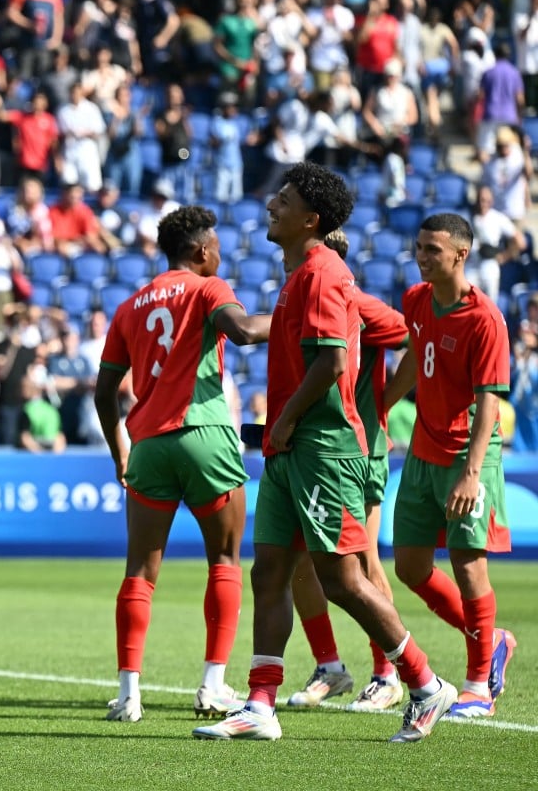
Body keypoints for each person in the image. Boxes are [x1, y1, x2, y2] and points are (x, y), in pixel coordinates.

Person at [193, 162, 456, 744]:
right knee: (271, 573)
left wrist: (284, 420)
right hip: (292, 448)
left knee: (342, 580)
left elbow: (333, 362)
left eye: (282, 200)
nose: (271, 206)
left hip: (324, 448)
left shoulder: (323, 273)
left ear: (310, 218)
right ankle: (260, 704)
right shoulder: (298, 275)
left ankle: (424, 682)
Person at [94, 205, 271, 723]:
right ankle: (212, 687)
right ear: (200, 251)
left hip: (147, 443)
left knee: (140, 572)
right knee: (224, 559)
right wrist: (297, 314)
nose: (220, 254)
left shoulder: (131, 306)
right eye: (215, 247)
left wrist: (119, 452)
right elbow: (241, 332)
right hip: (205, 433)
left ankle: (128, 694)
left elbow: (105, 390)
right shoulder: (209, 288)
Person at [384, 213, 517, 719]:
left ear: (460, 255)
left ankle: (478, 685)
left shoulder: (484, 317)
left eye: (432, 250)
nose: (421, 256)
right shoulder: (416, 300)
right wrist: (378, 407)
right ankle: (494, 639)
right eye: (419, 247)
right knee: (411, 567)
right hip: (422, 451)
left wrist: (471, 470)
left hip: (469, 458)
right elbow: (415, 360)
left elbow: (488, 402)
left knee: (467, 564)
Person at [285, 228, 413, 712]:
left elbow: (412, 338)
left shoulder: (356, 301)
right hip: (312, 452)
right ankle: (330, 668)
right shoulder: (298, 299)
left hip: (359, 452)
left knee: (363, 564)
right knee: (303, 566)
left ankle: (389, 674)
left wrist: (383, 403)